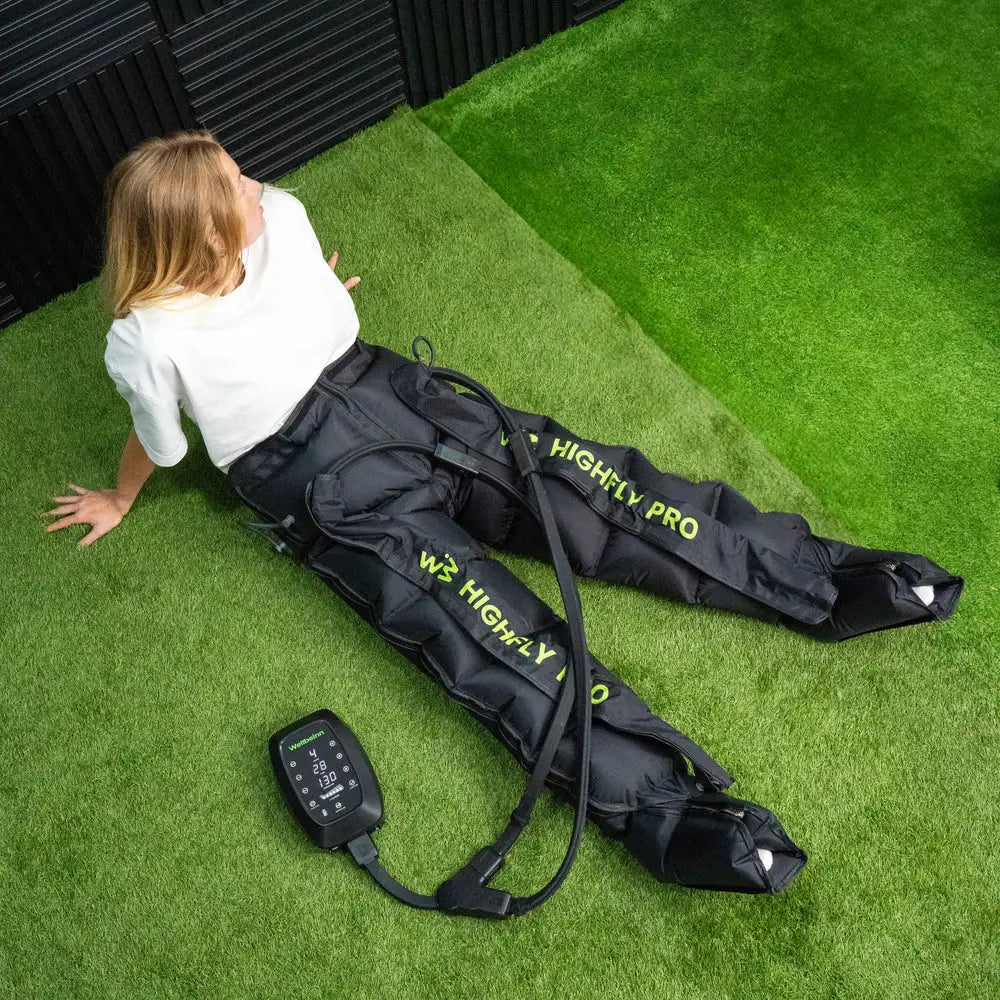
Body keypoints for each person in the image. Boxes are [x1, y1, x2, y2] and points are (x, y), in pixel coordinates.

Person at [39, 129, 964, 893]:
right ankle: (698, 786)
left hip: (377, 406)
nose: (255, 183)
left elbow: (201, 408)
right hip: (341, 471)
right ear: (200, 236)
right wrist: (131, 483)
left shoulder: (243, 247)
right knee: (521, 597)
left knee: (563, 535)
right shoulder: (176, 309)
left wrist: (292, 321)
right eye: (235, 185)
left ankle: (822, 599)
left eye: (239, 171)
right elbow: (187, 421)